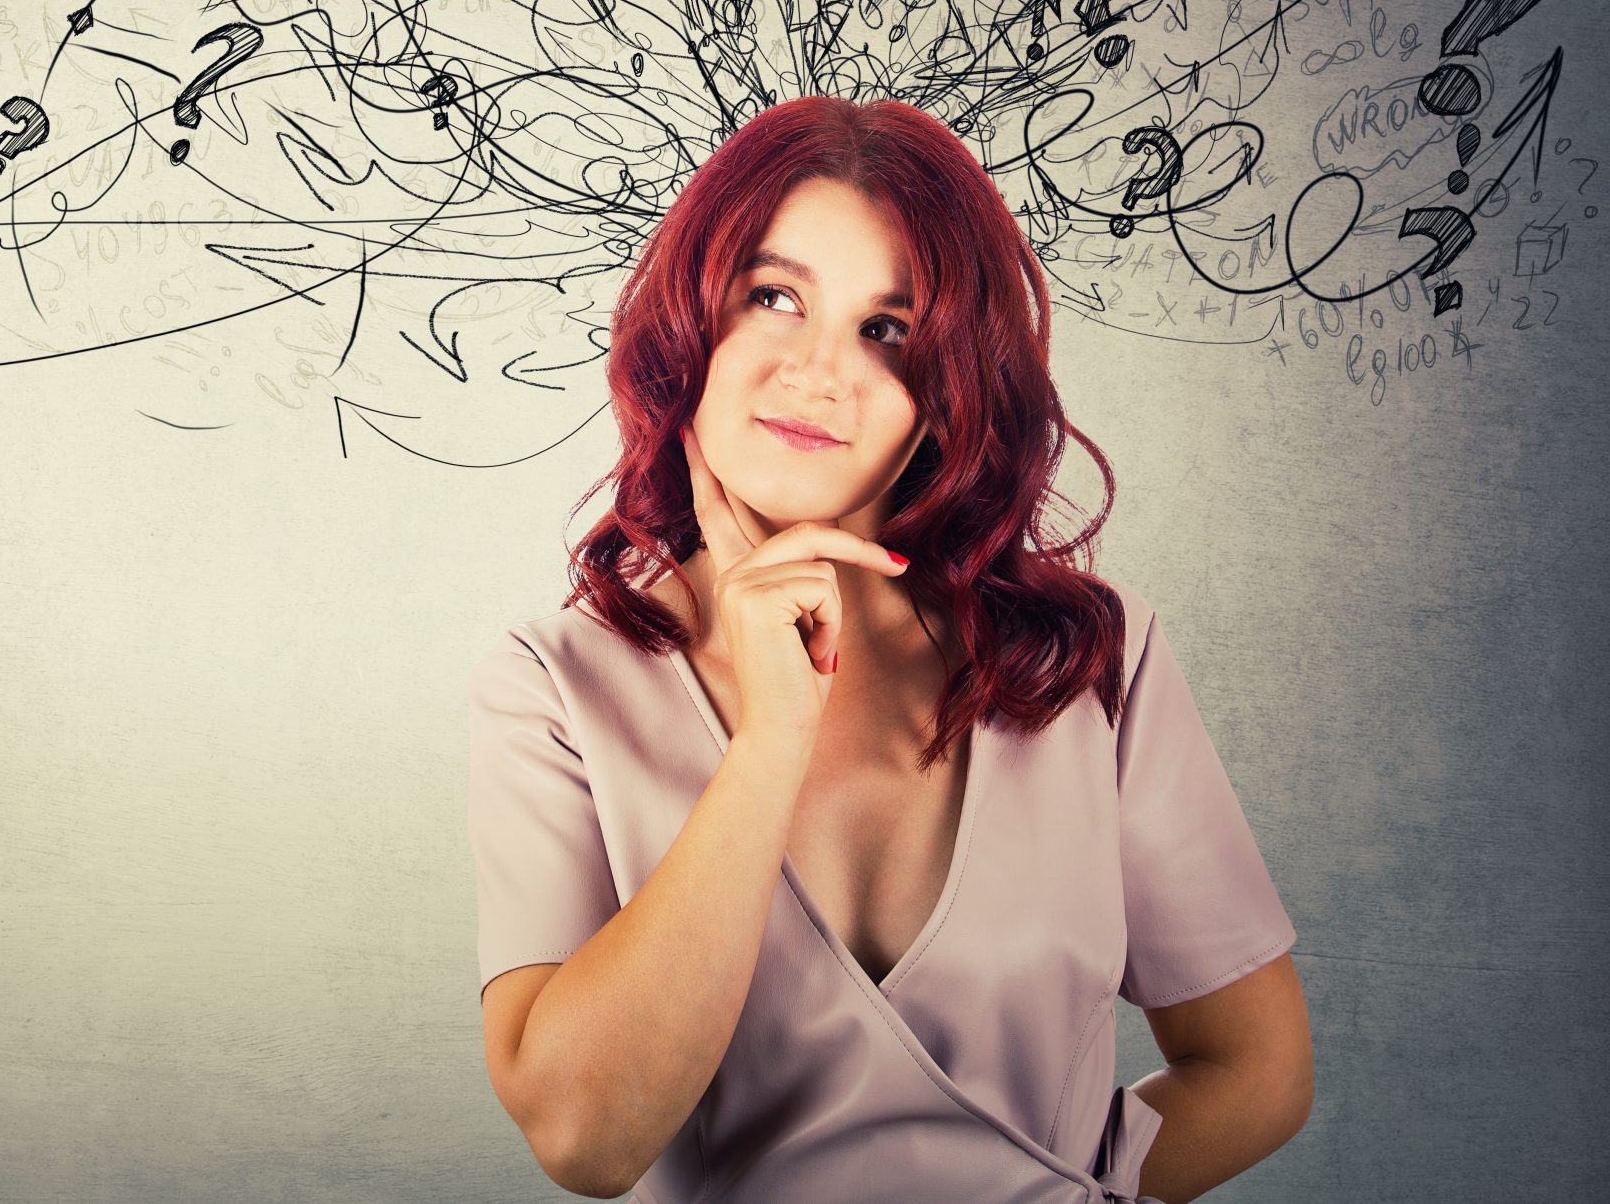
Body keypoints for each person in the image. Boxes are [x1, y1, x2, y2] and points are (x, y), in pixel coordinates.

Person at [467, 96, 1312, 1202]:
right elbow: (583, 1138)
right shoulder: (552, 687)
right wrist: (771, 738)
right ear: (691, 320)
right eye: (773, 297)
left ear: (943, 393)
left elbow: (1257, 1067)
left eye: (887, 330)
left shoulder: (1088, 665)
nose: (818, 371)